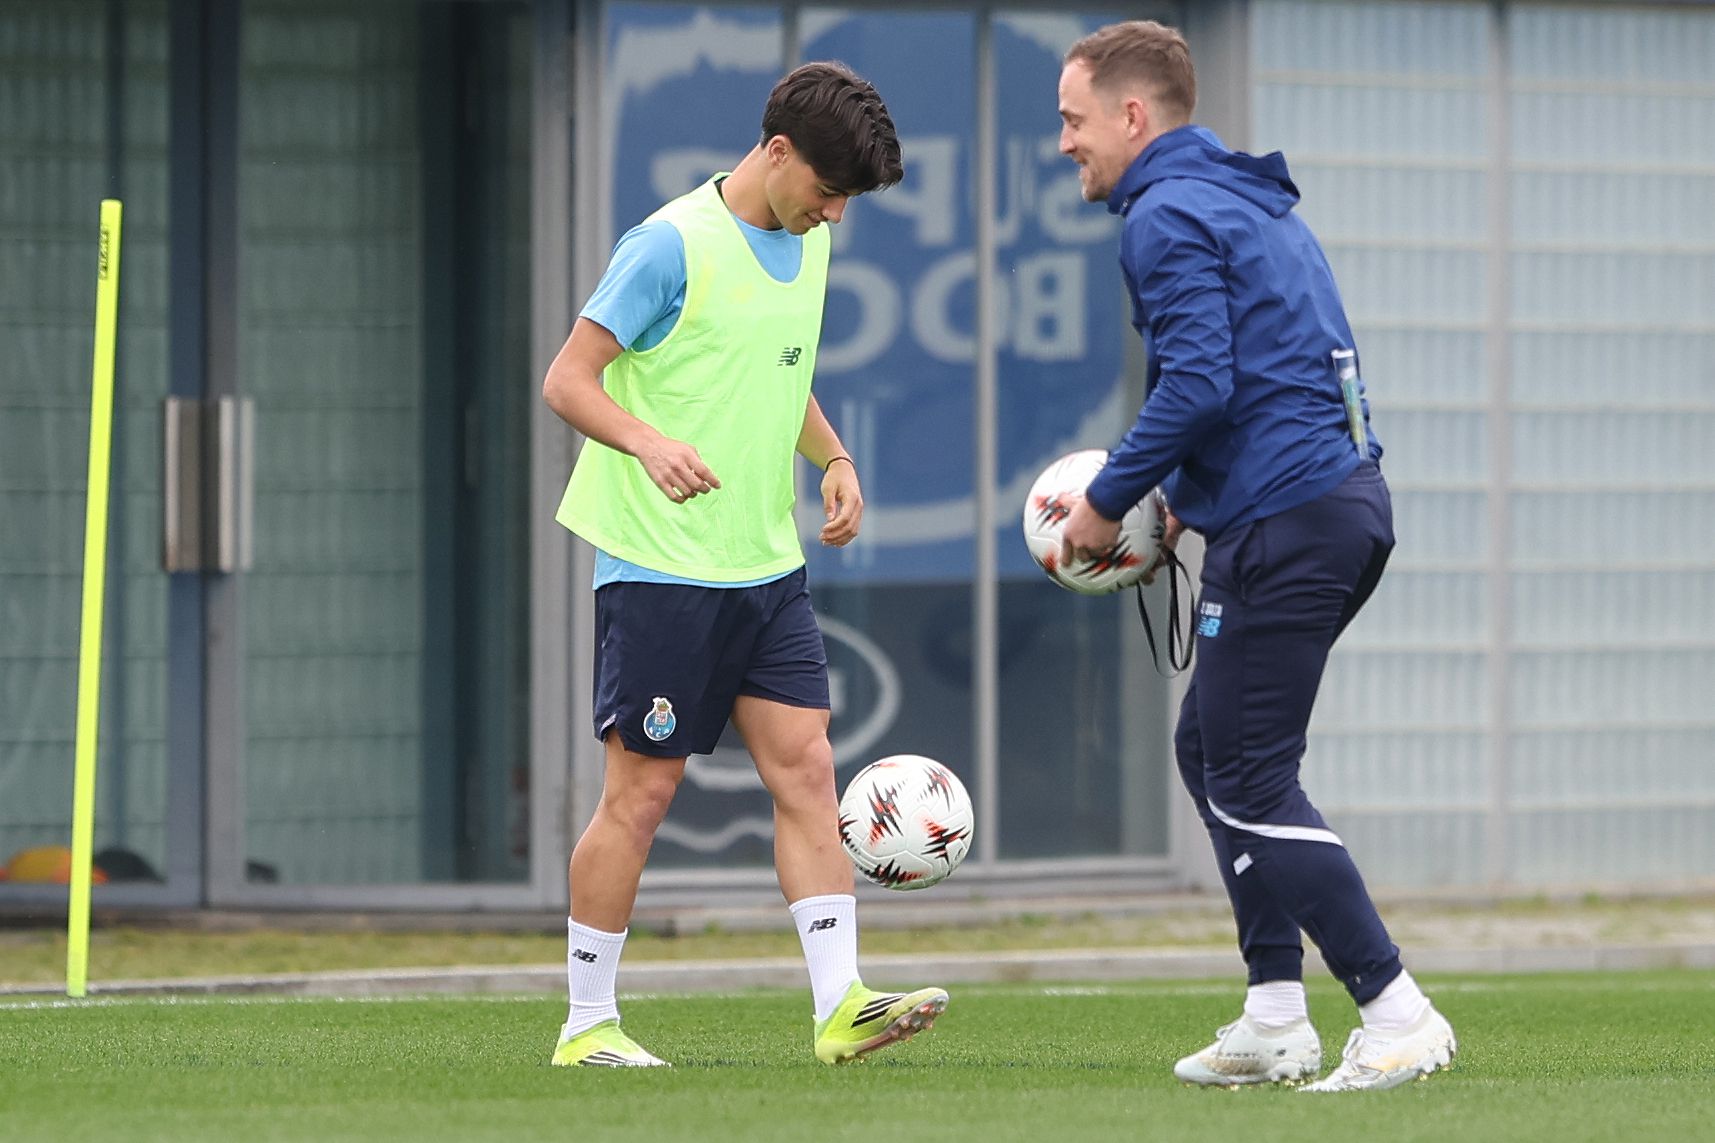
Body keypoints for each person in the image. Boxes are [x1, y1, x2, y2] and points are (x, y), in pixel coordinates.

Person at [1055, 21, 1456, 1092]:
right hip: (1326, 502)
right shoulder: (1238, 195)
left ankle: (1394, 1010)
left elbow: (1197, 385)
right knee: (1210, 753)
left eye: (1071, 120)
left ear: (1131, 116)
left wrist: (1107, 501)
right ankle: (1274, 1016)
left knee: (1247, 778)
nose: (1063, 144)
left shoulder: (1165, 212)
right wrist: (1188, 501)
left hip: (1291, 518)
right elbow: (1266, 366)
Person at [540, 61, 947, 1068]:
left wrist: (834, 458)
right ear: (774, 153)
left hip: (764, 570)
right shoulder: (668, 246)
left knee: (808, 771)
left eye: (846, 200)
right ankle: (586, 1025)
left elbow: (779, 370)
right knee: (640, 795)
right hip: (659, 569)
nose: (835, 215)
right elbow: (568, 379)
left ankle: (840, 1005)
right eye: (825, 191)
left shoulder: (804, 241)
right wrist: (647, 443)